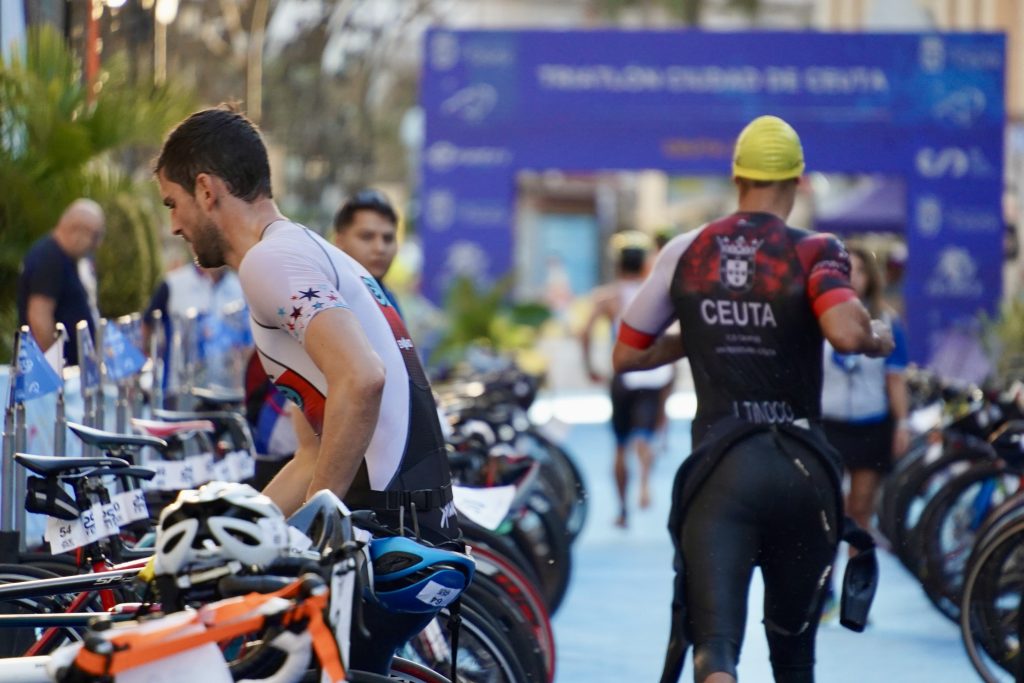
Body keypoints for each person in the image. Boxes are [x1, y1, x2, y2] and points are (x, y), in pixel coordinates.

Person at [155, 107, 459, 674]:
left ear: (206, 190)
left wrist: (318, 527)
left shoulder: (269, 263)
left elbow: (362, 378)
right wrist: (253, 528)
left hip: (384, 527)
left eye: (172, 203)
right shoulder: (299, 250)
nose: (174, 224)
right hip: (412, 521)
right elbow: (313, 450)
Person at [612, 115, 894, 683]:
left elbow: (628, 354)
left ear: (737, 176)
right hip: (801, 472)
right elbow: (845, 332)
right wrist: (876, 337)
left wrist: (700, 332)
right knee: (793, 658)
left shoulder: (687, 251)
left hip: (721, 470)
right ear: (798, 180)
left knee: (715, 651)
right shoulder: (815, 250)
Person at [580, 233, 673, 527]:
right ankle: (645, 482)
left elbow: (584, 332)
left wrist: (590, 366)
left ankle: (622, 510)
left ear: (618, 264)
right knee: (646, 436)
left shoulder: (608, 298)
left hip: (623, 374)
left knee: (620, 445)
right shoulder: (656, 294)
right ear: (644, 263)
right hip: (654, 374)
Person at [821, 244, 910, 534]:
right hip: (828, 424)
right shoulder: (817, 319)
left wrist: (902, 424)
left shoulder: (887, 322)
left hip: (870, 425)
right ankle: (827, 564)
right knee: (826, 508)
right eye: (846, 270)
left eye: (860, 271)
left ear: (870, 277)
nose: (853, 277)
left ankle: (858, 562)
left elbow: (895, 379)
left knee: (860, 508)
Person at [17, 198, 105, 366]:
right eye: (95, 237)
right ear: (77, 230)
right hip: (55, 371)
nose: (97, 245)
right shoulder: (49, 258)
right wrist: (55, 366)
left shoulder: (66, 259)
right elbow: (39, 318)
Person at [332, 188, 403, 313]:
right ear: (339, 241)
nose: (380, 248)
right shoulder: (329, 302)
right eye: (367, 237)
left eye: (388, 238)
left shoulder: (387, 298)